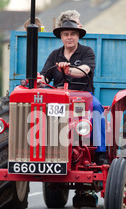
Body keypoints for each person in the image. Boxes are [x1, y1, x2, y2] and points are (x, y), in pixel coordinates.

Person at [38, 19, 107, 165]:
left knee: (96, 108)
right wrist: (39, 78)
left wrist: (68, 70)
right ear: (61, 37)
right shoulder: (54, 55)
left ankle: (101, 152)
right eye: (66, 34)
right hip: (58, 95)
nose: (69, 37)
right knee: (39, 108)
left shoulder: (87, 52)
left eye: (73, 34)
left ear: (78, 36)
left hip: (82, 96)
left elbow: (86, 70)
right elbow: (45, 76)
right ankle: (40, 147)